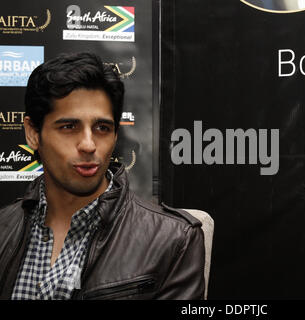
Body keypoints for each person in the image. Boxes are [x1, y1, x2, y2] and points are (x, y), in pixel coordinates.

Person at [0, 52, 205, 300]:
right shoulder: (5, 228)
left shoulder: (173, 240)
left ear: (116, 135)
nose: (88, 144)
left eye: (102, 128)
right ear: (33, 133)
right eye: (68, 127)